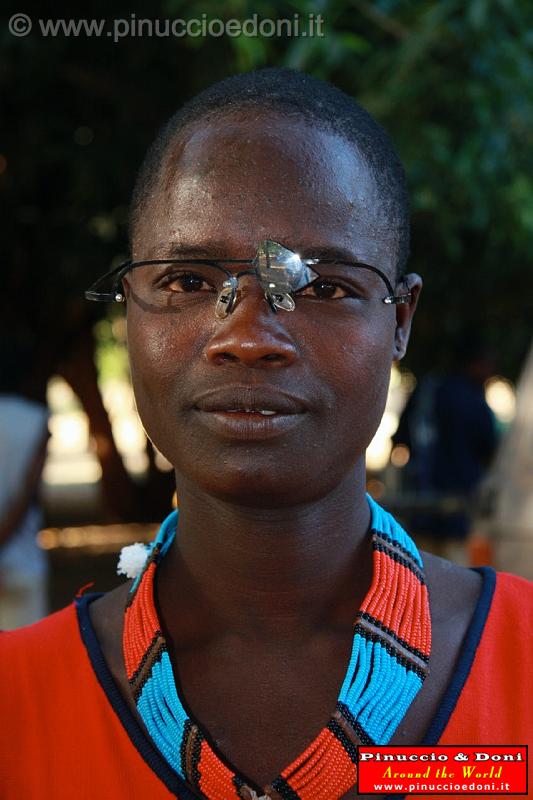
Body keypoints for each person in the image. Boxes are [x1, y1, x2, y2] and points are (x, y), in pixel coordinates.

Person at [1, 69, 531, 800]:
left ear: (399, 321)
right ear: (130, 310)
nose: (248, 338)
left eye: (322, 288)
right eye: (186, 280)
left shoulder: (520, 659)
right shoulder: (16, 699)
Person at [392, 334, 498, 564]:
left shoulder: (428, 391)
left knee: (416, 575)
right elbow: (490, 450)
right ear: (476, 363)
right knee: (454, 579)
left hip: (419, 505)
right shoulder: (475, 402)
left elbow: (401, 440)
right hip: (457, 510)